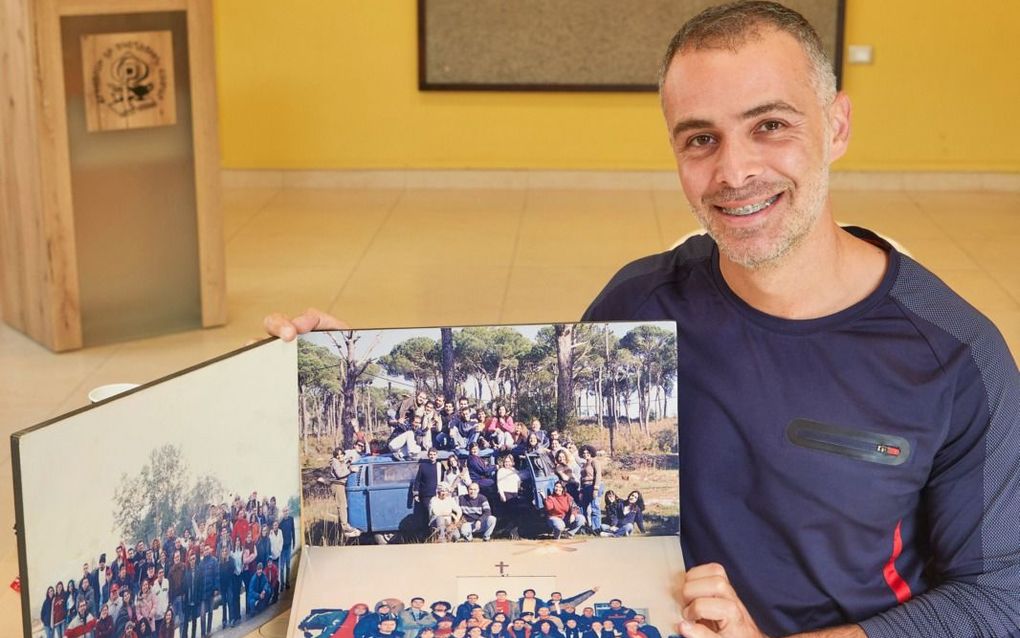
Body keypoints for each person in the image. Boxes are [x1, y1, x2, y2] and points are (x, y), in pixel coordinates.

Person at [263, 3, 1020, 636]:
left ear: (838, 126)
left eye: (770, 126)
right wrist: (341, 374)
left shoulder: (956, 356)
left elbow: (1000, 597)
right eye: (700, 139)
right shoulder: (640, 306)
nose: (733, 172)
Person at [329, 446, 363, 538]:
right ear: (335, 456)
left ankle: (343, 527)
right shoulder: (335, 462)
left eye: (341, 454)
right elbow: (340, 474)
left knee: (343, 506)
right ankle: (345, 527)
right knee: (342, 506)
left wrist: (348, 463)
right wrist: (350, 470)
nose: (340, 457)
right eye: (337, 455)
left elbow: (343, 469)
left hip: (340, 485)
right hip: (337, 485)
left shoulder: (340, 462)